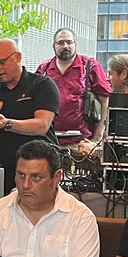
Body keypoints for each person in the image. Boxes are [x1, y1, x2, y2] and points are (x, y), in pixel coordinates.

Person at [0, 38, 59, 194]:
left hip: (41, 167)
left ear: (18, 57)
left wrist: (7, 123)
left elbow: (42, 125)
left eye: (2, 62)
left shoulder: (42, 85)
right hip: (8, 169)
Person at [36, 28, 111, 160]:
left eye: (69, 42)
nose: (65, 46)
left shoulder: (90, 66)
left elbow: (105, 101)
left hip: (82, 143)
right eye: (60, 43)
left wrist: (97, 137)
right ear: (54, 46)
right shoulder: (44, 69)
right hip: (49, 142)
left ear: (75, 44)